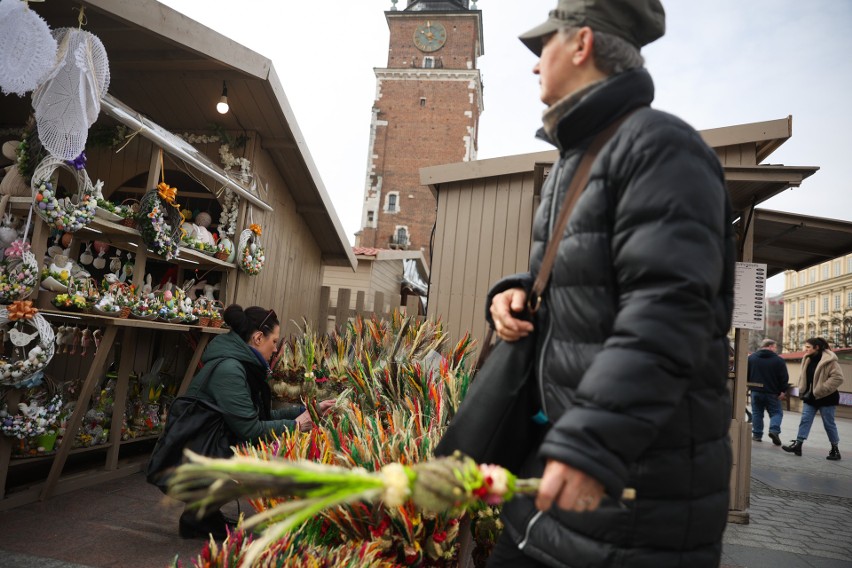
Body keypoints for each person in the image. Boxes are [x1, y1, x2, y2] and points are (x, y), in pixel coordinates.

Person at [485, 1, 735, 566]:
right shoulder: (580, 158)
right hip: (561, 482)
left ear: (581, 45)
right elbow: (595, 285)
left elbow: (668, 310)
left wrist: (589, 445)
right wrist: (516, 292)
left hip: (629, 503)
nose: (533, 66)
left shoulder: (660, 147)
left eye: (543, 45)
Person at [178, 304, 334, 539]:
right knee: (269, 454)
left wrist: (307, 410)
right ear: (258, 338)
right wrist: (297, 425)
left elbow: (259, 418)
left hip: (207, 445)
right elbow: (251, 429)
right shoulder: (231, 369)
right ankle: (198, 515)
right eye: (274, 341)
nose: (275, 349)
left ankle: (205, 514)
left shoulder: (239, 364)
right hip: (197, 452)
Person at [783, 337, 843, 460]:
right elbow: (804, 376)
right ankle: (798, 445)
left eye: (808, 347)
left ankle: (835, 449)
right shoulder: (807, 359)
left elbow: (838, 378)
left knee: (829, 424)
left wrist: (821, 389)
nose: (806, 349)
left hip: (826, 398)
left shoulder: (830, 361)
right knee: (805, 420)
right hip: (810, 397)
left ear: (817, 348)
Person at [748, 338, 789, 445]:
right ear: (770, 346)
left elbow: (746, 374)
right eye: (775, 347)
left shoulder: (751, 358)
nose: (775, 349)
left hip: (755, 391)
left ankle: (757, 435)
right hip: (772, 392)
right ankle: (774, 431)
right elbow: (784, 377)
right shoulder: (779, 360)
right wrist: (783, 390)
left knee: (757, 413)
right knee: (776, 413)